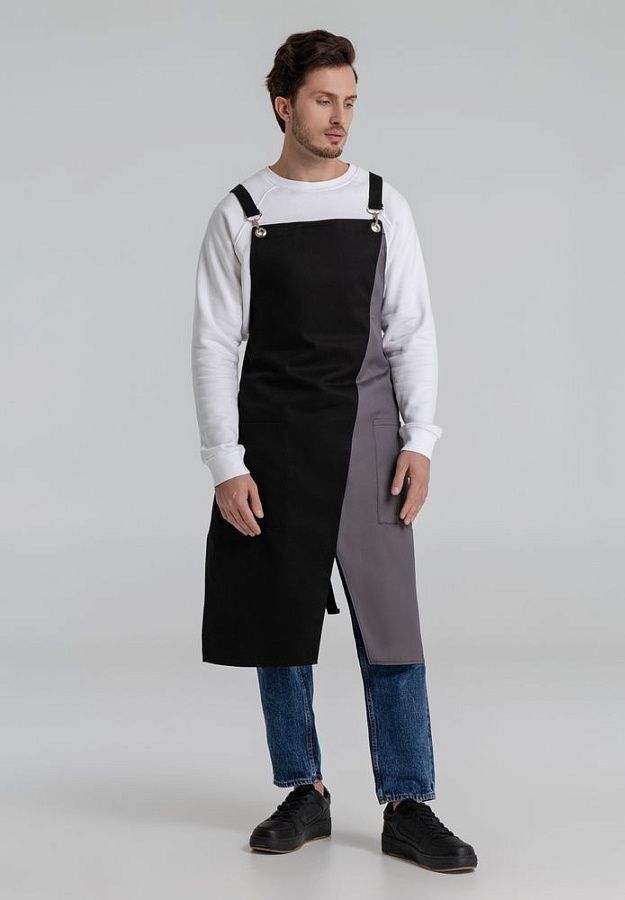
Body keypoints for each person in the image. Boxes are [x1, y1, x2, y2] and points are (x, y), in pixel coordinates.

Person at [190, 29, 478, 873]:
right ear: (284, 106)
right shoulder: (242, 212)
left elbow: (411, 329)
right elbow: (215, 343)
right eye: (323, 100)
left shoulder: (382, 202)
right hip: (275, 439)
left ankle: (409, 802)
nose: (339, 117)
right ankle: (302, 790)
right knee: (280, 622)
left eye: (349, 102)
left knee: (391, 626)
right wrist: (225, 460)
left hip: (368, 435)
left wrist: (420, 441)